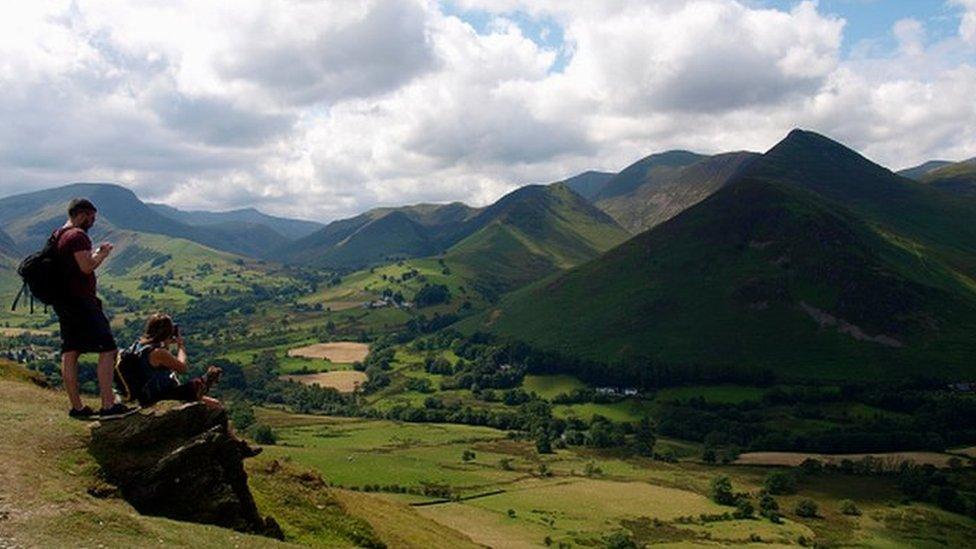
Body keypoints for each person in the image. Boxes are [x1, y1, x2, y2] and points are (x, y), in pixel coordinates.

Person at [53, 198, 131, 419]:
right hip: (81, 303)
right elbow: (86, 267)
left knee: (71, 352)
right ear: (81, 214)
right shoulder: (77, 236)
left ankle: (77, 407)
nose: (93, 222)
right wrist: (102, 253)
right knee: (108, 349)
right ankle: (108, 404)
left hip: (65, 302)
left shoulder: (58, 234)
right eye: (91, 217)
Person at [128, 312, 222, 409]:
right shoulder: (157, 352)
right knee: (214, 404)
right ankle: (203, 383)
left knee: (211, 401)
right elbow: (182, 368)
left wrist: (165, 343)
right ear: (167, 332)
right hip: (159, 395)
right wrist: (180, 346)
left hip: (146, 394)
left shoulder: (138, 345)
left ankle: (203, 383)